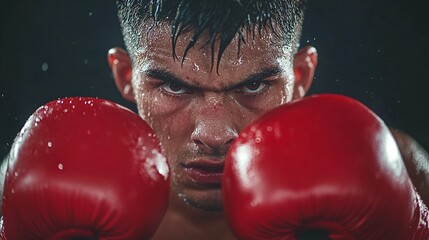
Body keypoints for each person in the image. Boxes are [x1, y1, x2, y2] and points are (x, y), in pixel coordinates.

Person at [105, 0, 429, 239]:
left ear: (300, 76)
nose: (215, 134)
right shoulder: (57, 173)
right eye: (175, 87)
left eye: (253, 86)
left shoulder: (390, 169)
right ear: (126, 76)